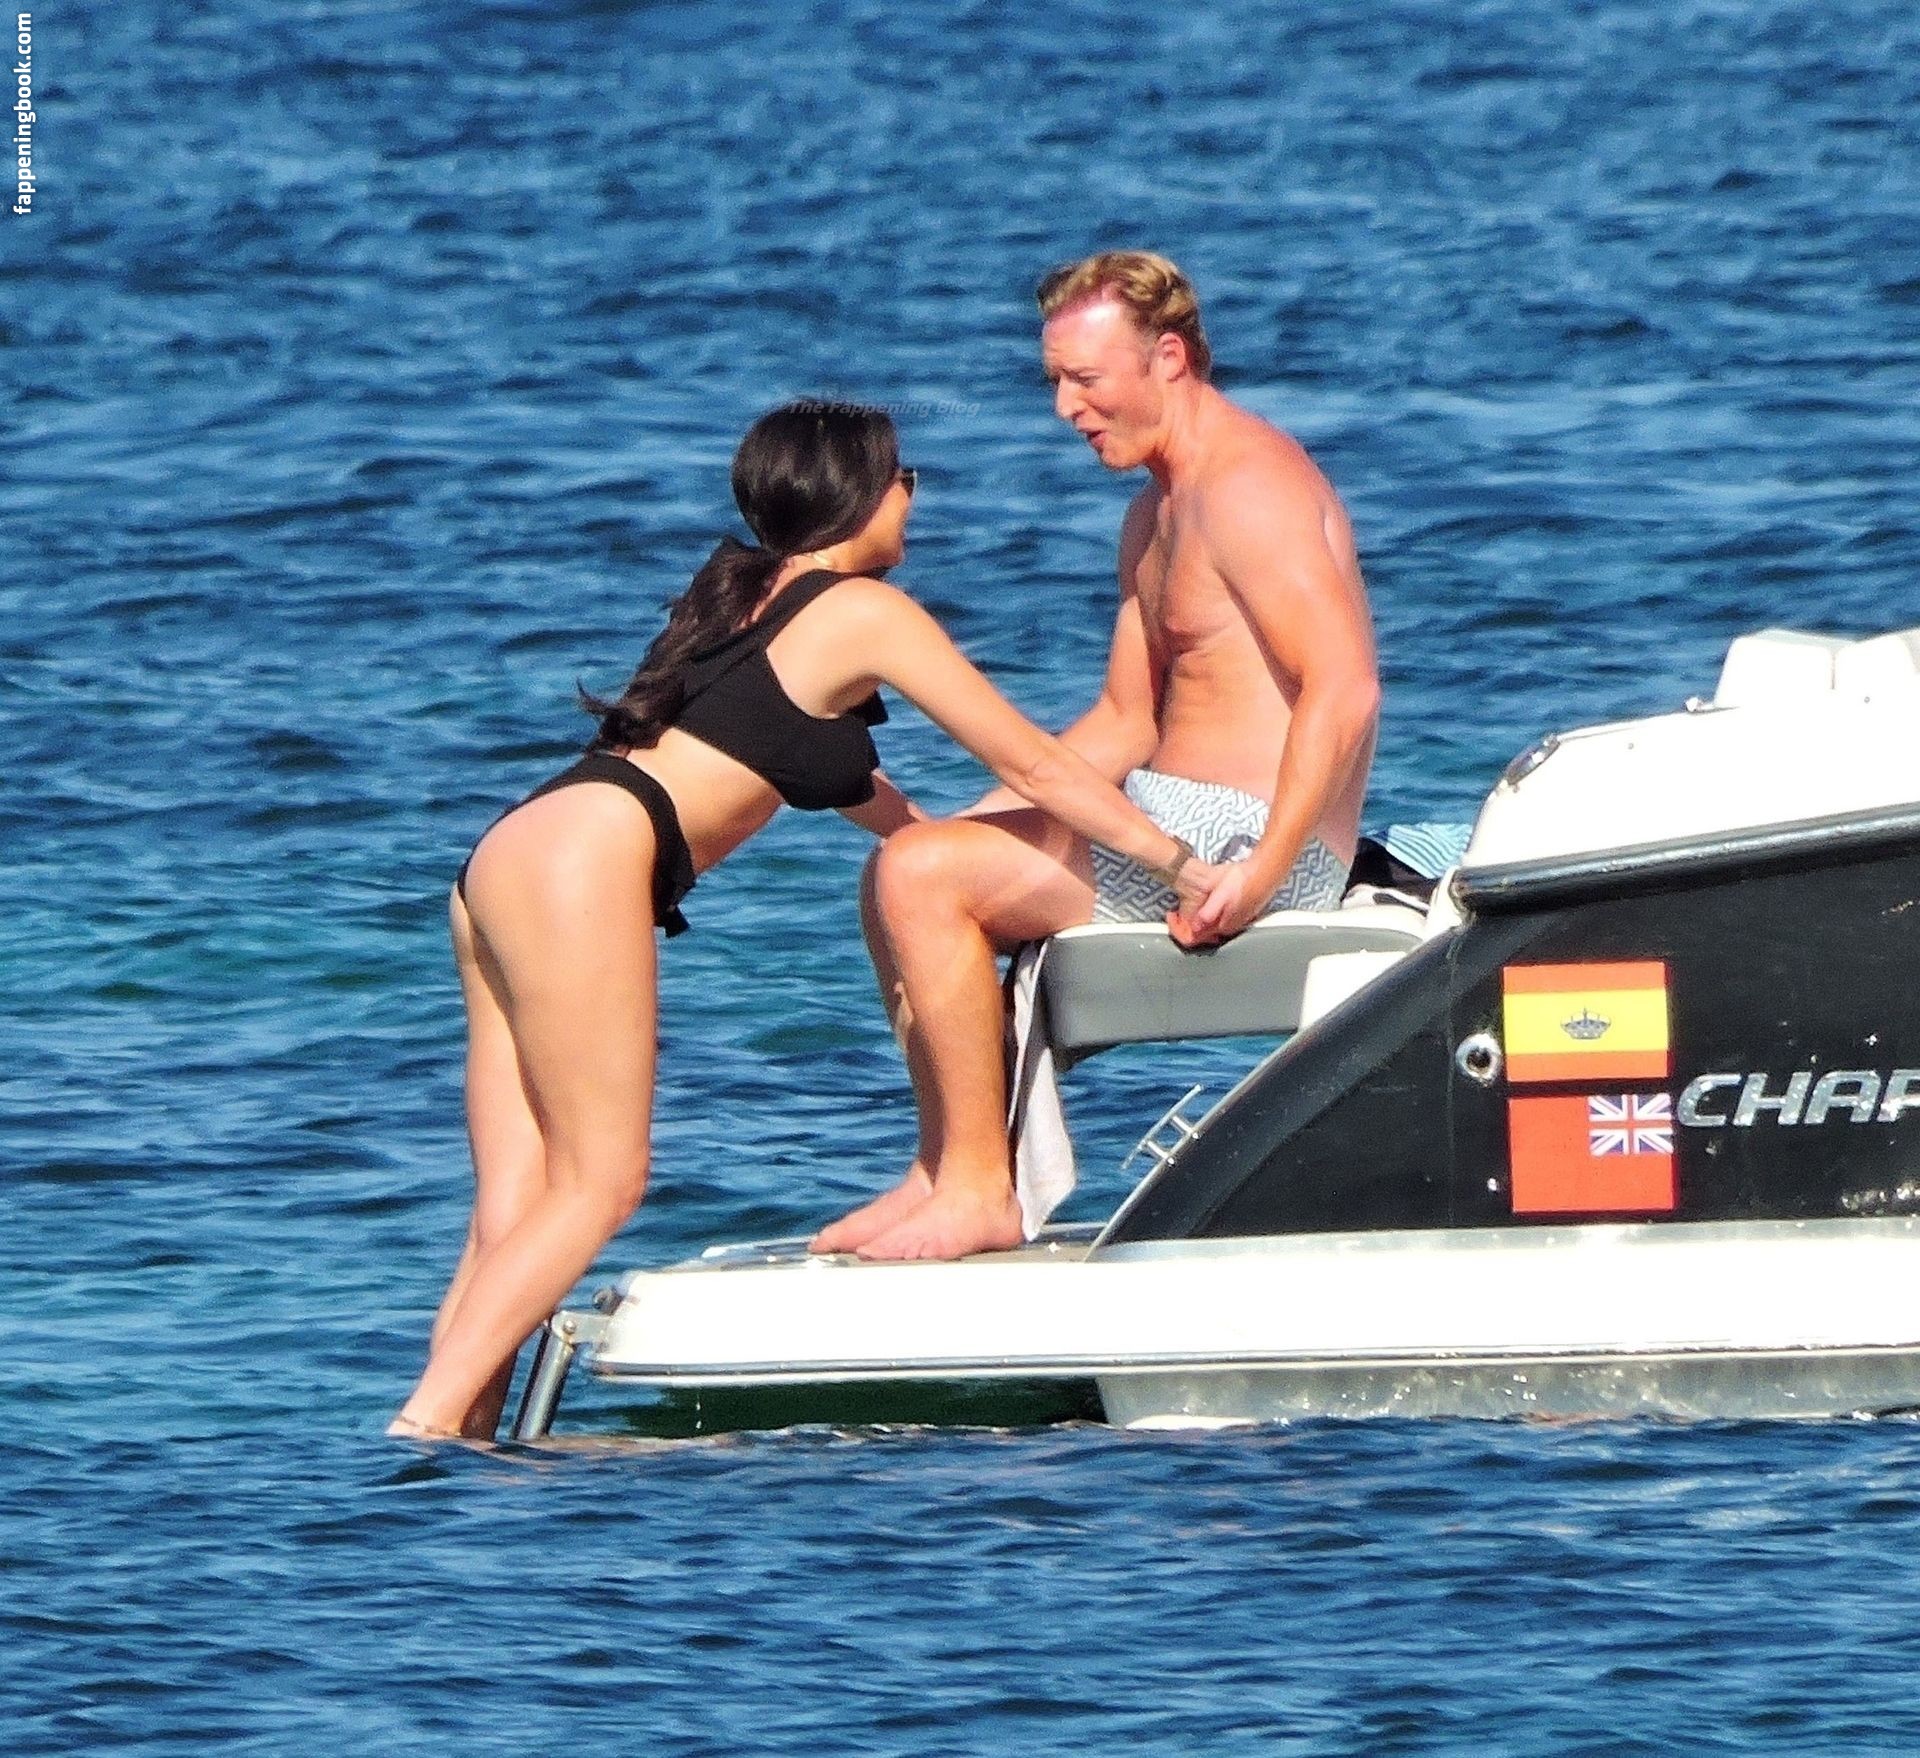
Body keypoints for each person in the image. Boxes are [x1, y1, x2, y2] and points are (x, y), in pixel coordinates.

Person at [389, 400, 1221, 1440]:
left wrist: (940, 865)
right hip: (586, 859)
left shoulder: (742, 595)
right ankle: (421, 1425)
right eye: (902, 475)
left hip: (514, 851)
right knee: (601, 1183)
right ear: (858, 496)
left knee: (517, 1207)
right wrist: (1175, 861)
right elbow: (1031, 762)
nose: (912, 493)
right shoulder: (864, 611)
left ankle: (440, 1471)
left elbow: (836, 780)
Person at [815, 250, 1380, 1264]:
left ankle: (983, 1191)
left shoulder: (1249, 488)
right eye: (1055, 383)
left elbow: (1344, 689)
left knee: (922, 876)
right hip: (1175, 815)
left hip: (1257, 843)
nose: (1066, 409)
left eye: (1085, 380)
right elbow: (1125, 722)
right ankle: (944, 1167)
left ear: (1168, 359)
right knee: (901, 869)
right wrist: (972, 821)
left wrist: (1262, 872)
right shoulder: (1156, 509)